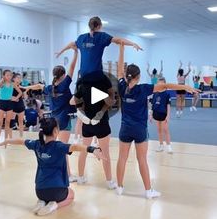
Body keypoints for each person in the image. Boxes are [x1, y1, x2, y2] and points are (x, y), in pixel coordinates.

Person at [116, 44, 198, 197]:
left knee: (122, 158)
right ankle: (148, 191)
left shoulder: (121, 86)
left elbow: (120, 68)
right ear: (138, 77)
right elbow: (165, 86)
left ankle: (119, 187)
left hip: (124, 128)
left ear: (126, 75)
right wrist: (185, 87)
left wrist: (121, 48)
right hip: (139, 130)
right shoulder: (143, 88)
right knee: (142, 160)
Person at [0, 118, 103, 216]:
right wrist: (93, 150)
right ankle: (54, 205)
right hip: (57, 190)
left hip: (39, 191)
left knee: (46, 195)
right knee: (71, 195)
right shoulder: (59, 146)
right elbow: (76, 146)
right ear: (55, 131)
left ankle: (42, 202)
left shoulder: (36, 144)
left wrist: (5, 141)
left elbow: (20, 141)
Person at [25, 49, 78, 183]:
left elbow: (39, 86)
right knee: (63, 149)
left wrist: (28, 87)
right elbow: (72, 67)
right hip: (64, 119)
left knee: (56, 147)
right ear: (63, 75)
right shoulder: (64, 85)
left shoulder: (50, 87)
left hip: (54, 120)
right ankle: (68, 175)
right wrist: (76, 53)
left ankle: (63, 172)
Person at [55, 16, 142, 81]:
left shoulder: (81, 38)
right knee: (109, 93)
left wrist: (61, 51)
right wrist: (133, 43)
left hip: (83, 74)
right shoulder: (102, 36)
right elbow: (119, 40)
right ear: (99, 26)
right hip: (96, 75)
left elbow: (71, 44)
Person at [72, 72, 117, 189]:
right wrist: (81, 111)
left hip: (92, 121)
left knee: (85, 150)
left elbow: (111, 101)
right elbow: (111, 101)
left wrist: (99, 109)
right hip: (96, 122)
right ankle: (109, 181)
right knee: (103, 152)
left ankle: (81, 177)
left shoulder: (87, 80)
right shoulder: (92, 80)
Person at [0, 70, 22, 142]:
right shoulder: (2, 83)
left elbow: (20, 92)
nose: (9, 76)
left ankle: (6, 139)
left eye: (10, 75)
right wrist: (2, 79)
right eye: (7, 75)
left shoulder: (13, 84)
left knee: (7, 122)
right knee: (0, 122)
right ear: (4, 76)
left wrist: (15, 98)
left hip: (9, 103)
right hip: (2, 103)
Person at [150, 78, 172, 153]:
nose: (160, 85)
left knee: (165, 130)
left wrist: (168, 116)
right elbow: (152, 105)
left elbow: (168, 106)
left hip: (163, 114)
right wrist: (150, 114)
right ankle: (161, 145)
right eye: (158, 83)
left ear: (165, 84)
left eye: (161, 84)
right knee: (159, 130)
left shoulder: (167, 94)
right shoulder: (155, 93)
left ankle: (169, 146)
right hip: (156, 113)